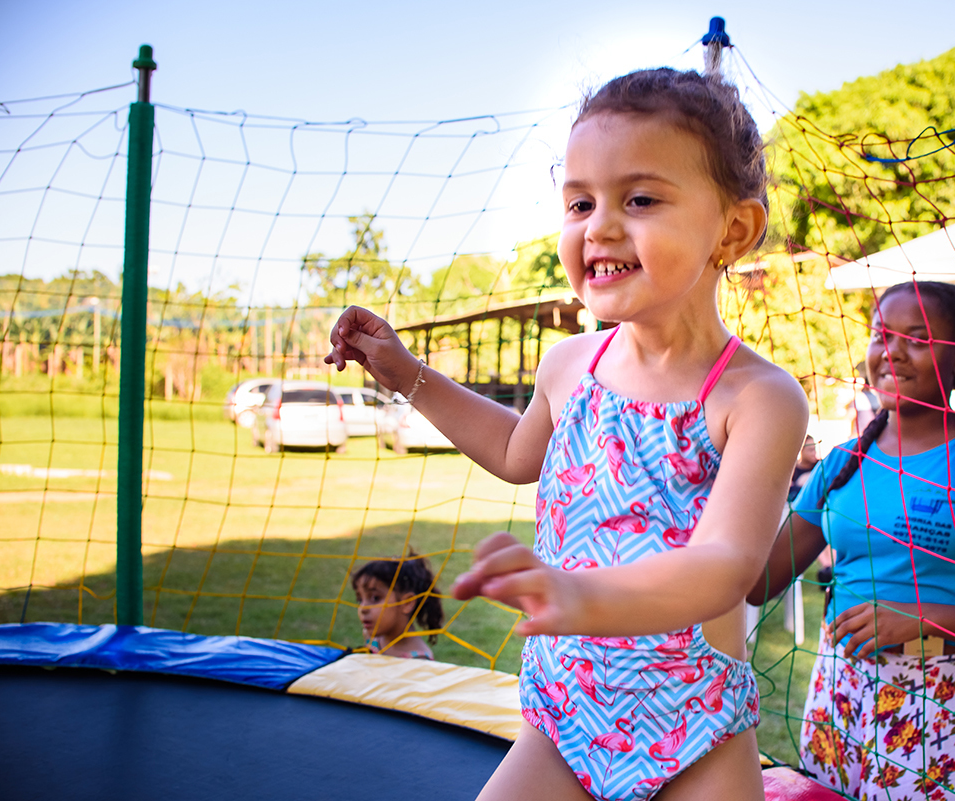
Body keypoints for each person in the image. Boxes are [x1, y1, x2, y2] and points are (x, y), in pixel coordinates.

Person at [326, 68, 809, 801]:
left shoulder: (758, 397)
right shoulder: (570, 365)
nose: (600, 225)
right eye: (580, 202)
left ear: (732, 230)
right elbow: (516, 454)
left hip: (695, 728)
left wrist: (579, 595)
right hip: (567, 718)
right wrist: (406, 373)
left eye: (640, 199)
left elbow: (724, 564)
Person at [750, 281, 955, 800]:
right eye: (881, 334)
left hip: (943, 699)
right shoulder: (840, 464)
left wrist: (923, 619)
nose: (891, 351)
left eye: (917, 338)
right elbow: (759, 583)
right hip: (840, 694)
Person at [352, 552, 443, 659]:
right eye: (360, 599)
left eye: (375, 598)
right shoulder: (372, 639)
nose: (363, 608)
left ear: (407, 603)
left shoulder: (418, 659)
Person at [789, 435, 820, 500]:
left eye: (814, 449)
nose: (814, 453)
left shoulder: (819, 466)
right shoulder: (792, 470)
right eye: (810, 450)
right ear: (801, 450)